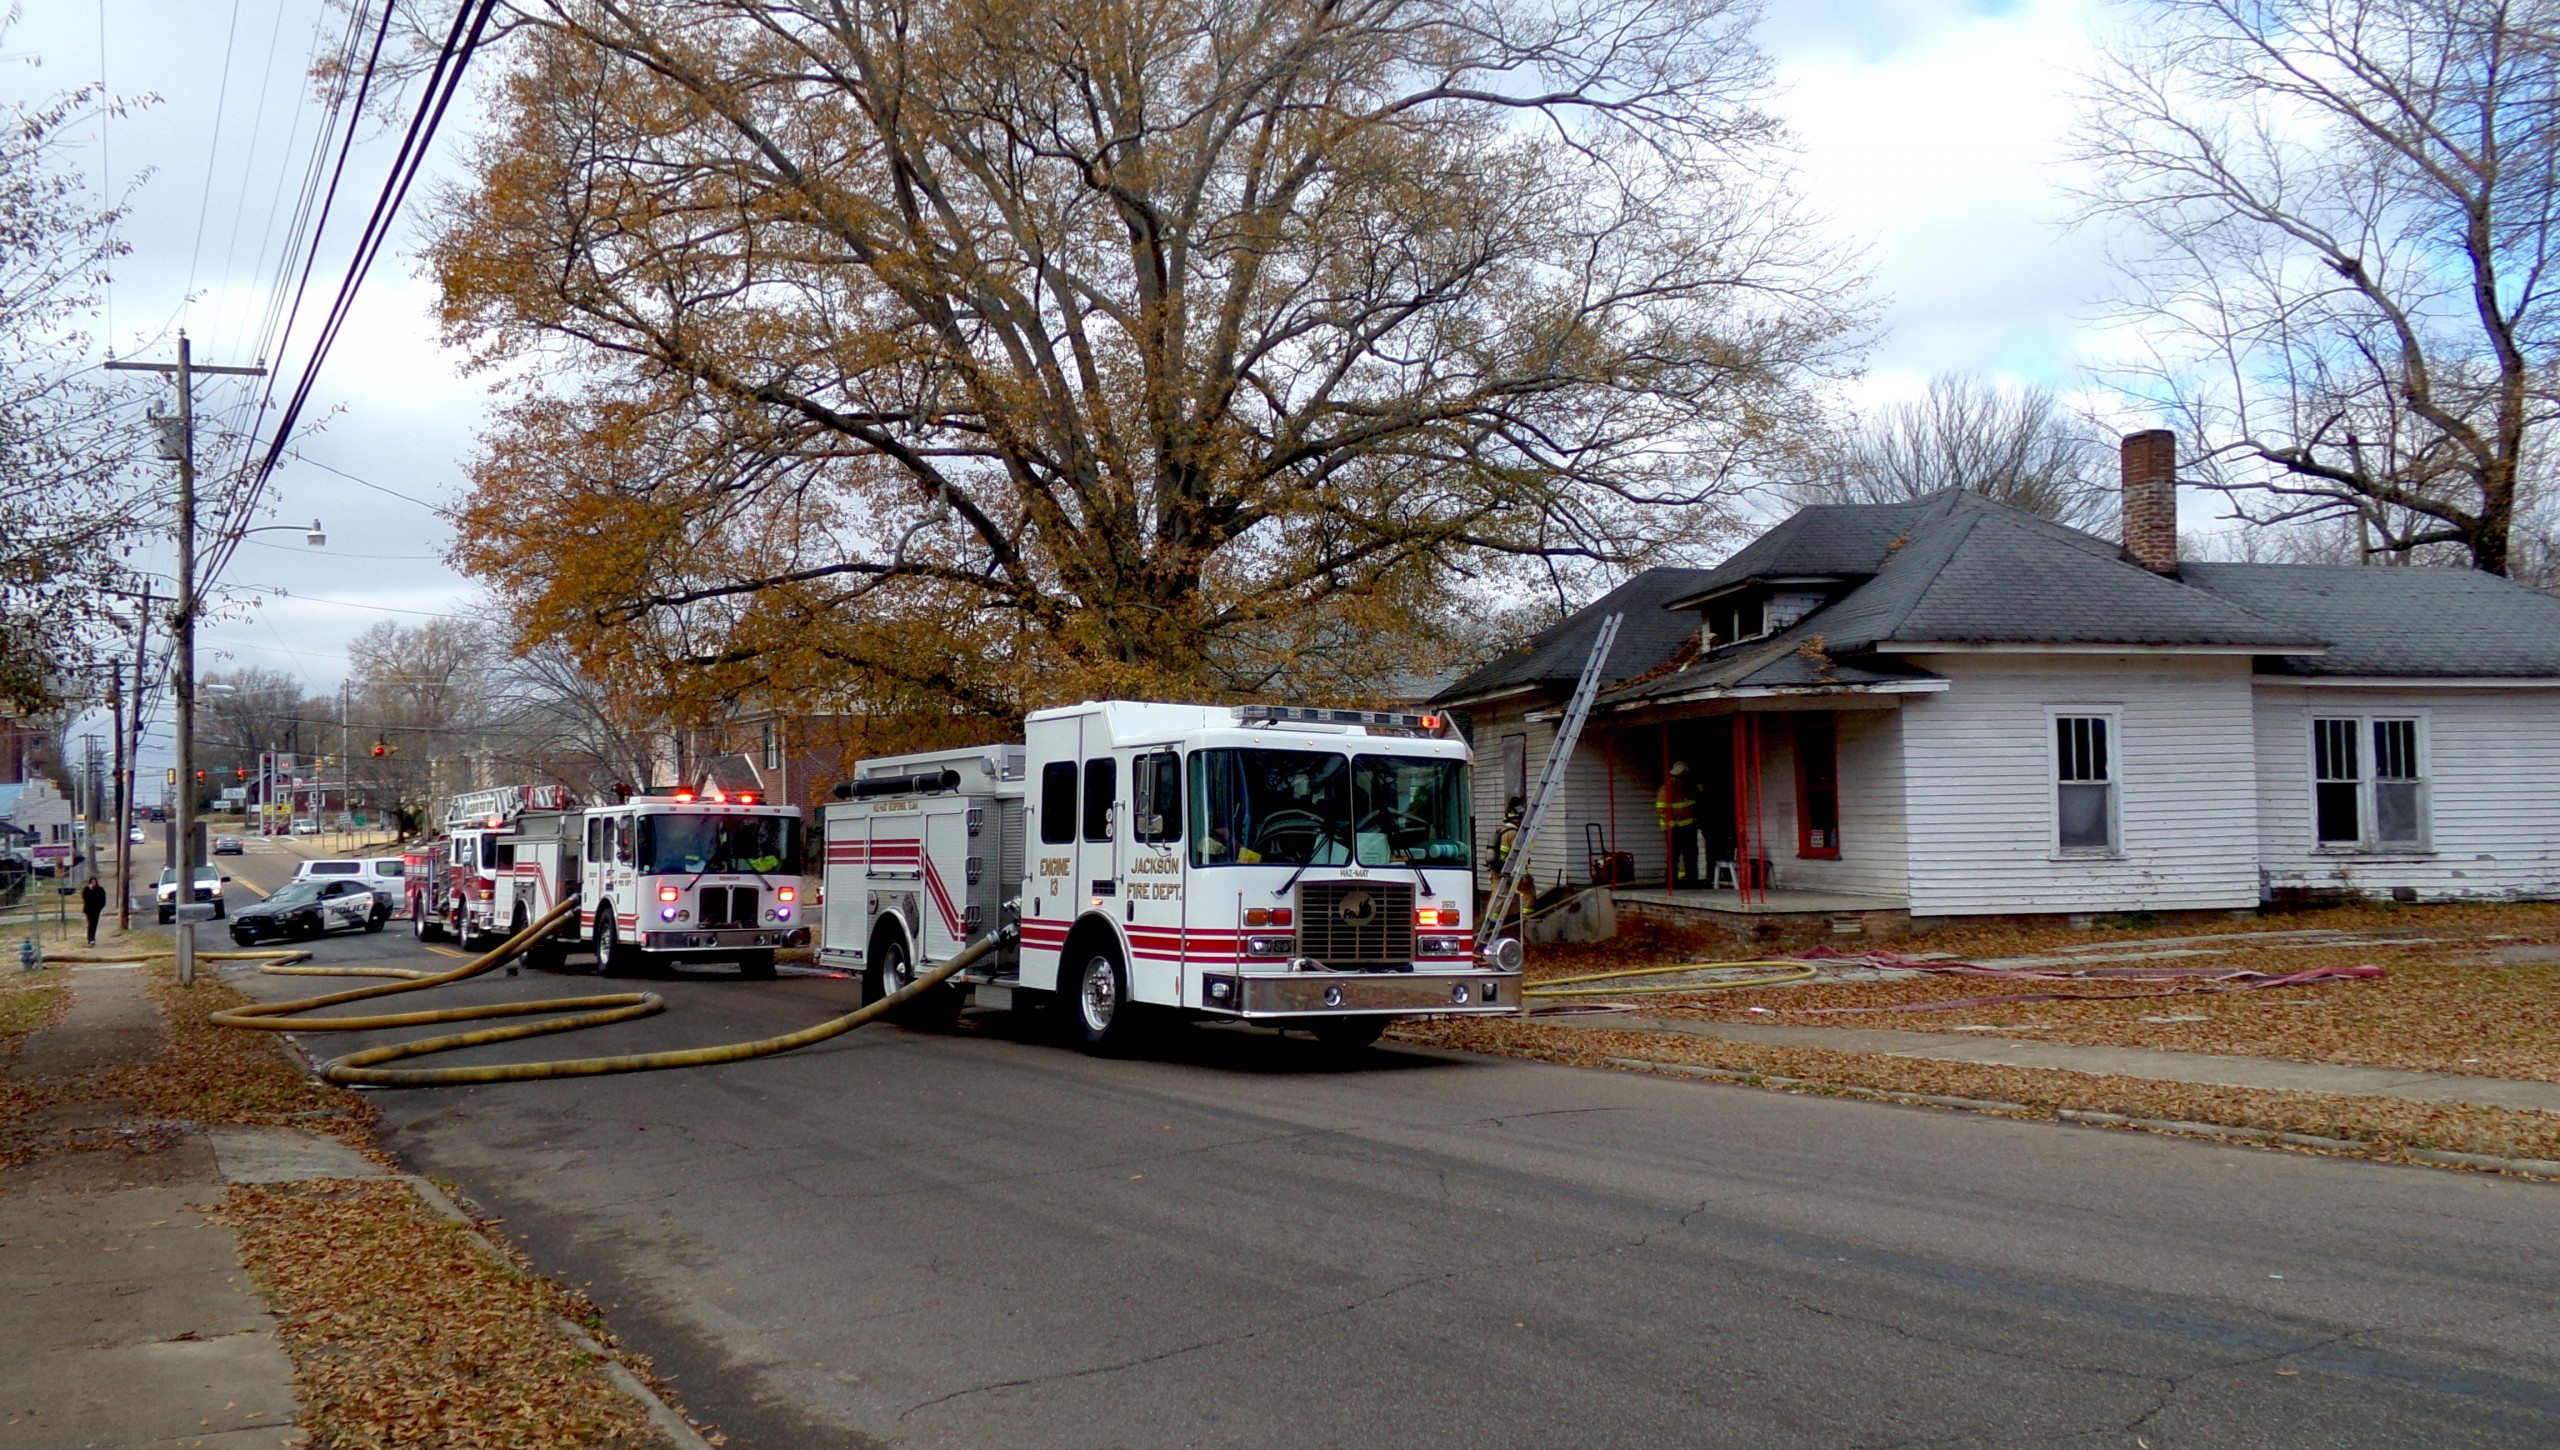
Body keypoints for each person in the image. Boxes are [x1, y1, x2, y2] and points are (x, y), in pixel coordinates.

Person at [1655, 761, 1698, 885]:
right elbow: (1662, 809)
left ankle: (1691, 880)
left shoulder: (1686, 789)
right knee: (1674, 856)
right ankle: (1671, 881)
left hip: (1688, 828)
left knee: (1690, 855)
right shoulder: (1667, 790)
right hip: (1673, 828)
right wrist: (1673, 823)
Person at [79, 874, 107, 946]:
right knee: (90, 924)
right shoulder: (86, 889)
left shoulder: (100, 889)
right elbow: (85, 898)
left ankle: (92, 938)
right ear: (89, 882)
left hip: (96, 910)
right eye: (92, 882)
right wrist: (90, 890)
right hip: (88, 910)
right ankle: (90, 939)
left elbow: (103, 900)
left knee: (94, 925)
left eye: (94, 882)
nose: (93, 883)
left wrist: (100, 908)